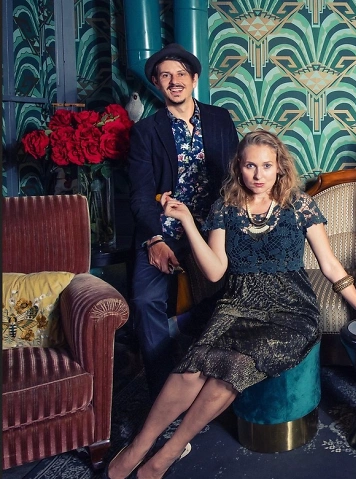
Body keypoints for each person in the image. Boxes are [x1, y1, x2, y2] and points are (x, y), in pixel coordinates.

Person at [106, 129, 356, 479]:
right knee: (193, 365)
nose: (258, 174)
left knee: (232, 369)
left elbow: (330, 266)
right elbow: (215, 272)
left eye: (266, 165)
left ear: (279, 167)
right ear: (239, 167)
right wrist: (187, 221)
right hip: (237, 303)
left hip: (291, 310)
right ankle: (139, 446)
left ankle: (168, 453)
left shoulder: (299, 205)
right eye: (250, 166)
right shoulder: (224, 208)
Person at [128, 43, 239, 399]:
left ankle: (214, 369)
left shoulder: (220, 119)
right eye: (165, 76)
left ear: (194, 79)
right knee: (145, 299)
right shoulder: (146, 131)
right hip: (166, 230)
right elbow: (140, 195)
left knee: (242, 288)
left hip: (215, 227)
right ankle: (164, 392)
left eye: (180, 74)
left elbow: (236, 178)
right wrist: (154, 240)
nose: (174, 81)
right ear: (157, 84)